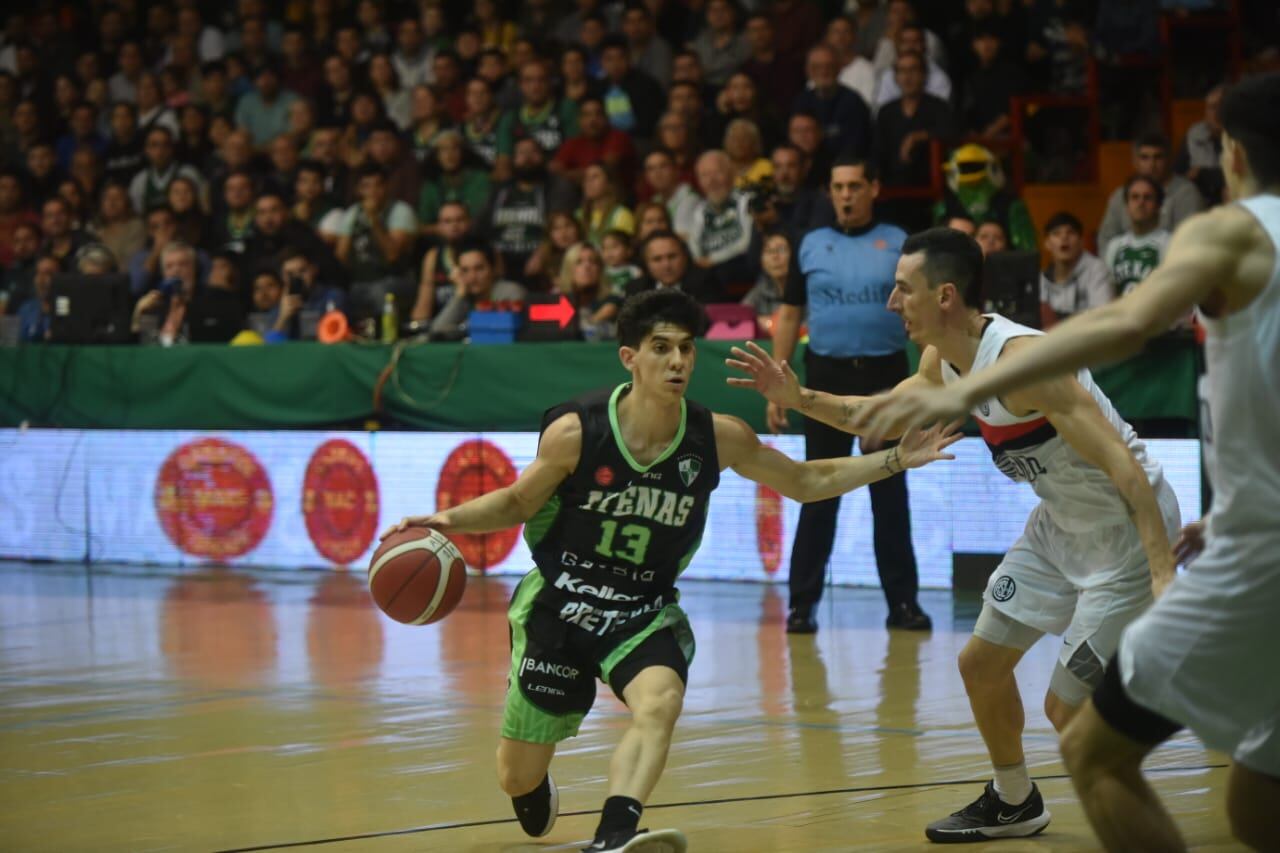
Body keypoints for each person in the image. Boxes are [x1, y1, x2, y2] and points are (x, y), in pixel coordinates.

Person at [850, 71, 1280, 853]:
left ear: (1235, 154)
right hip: (1188, 530)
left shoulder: (1233, 230)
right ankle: (1015, 796)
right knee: (1255, 811)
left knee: (1087, 742)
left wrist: (977, 385)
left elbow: (1129, 320)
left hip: (1181, 544)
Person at [383, 287, 960, 853]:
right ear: (629, 358)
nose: (678, 361)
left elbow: (806, 482)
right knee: (515, 776)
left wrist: (893, 460)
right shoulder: (577, 431)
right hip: (561, 607)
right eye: (661, 348)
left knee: (659, 701)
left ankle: (616, 831)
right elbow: (515, 504)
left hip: (642, 609)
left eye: (686, 348)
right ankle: (534, 781)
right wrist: (442, 520)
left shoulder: (717, 436)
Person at [732, 225, 1182, 843]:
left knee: (1065, 709)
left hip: (1126, 535)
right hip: (1058, 529)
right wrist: (797, 394)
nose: (891, 304)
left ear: (945, 296)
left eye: (902, 290)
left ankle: (1198, 712)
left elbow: (1125, 466)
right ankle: (1014, 800)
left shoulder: (1025, 366)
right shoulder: (942, 362)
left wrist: (1163, 574)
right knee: (980, 664)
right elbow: (877, 414)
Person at [765, 155, 930, 634]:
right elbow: (790, 313)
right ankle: (802, 605)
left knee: (890, 490)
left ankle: (903, 605)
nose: (846, 195)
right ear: (829, 191)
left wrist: (930, 385)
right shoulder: (810, 244)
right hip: (824, 378)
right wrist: (779, 386)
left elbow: (922, 317)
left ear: (874, 187)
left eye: (855, 185)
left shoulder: (900, 242)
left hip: (887, 378)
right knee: (818, 489)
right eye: (838, 186)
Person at [1097, 133, 1204, 251]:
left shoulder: (1187, 193)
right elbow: (1106, 238)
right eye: (1144, 157)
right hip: (1126, 265)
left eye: (1158, 157)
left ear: (1169, 160)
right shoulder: (1120, 195)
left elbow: (1189, 241)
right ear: (1135, 162)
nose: (1151, 165)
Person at [428, 238, 527, 340]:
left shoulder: (511, 292)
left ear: (492, 269)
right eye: (465, 270)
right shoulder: (463, 296)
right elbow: (437, 331)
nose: (472, 277)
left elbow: (493, 331)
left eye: (479, 269)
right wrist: (460, 295)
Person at [1039, 212, 1114, 330]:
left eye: (1071, 232)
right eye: (1056, 233)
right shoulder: (1041, 277)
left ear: (1081, 241)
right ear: (1047, 243)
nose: (1064, 238)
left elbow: (1103, 316)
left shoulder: (1096, 269)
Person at [1104, 175, 1170, 297]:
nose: (1141, 203)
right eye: (1135, 197)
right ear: (1126, 205)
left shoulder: (1170, 244)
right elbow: (1108, 294)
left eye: (1147, 197)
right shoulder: (1114, 246)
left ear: (1158, 206)